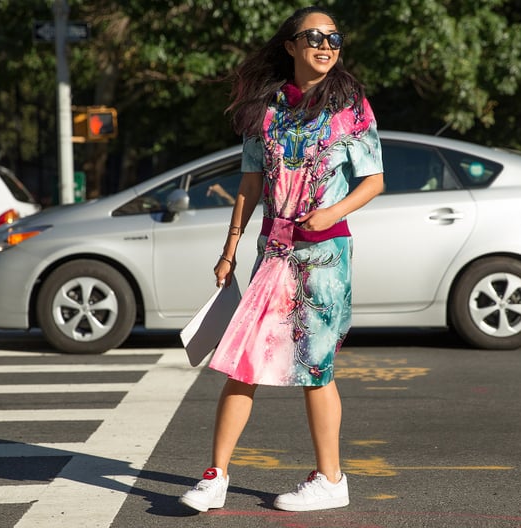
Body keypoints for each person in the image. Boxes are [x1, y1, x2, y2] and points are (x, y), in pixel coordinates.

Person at [179, 5, 384, 513]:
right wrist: (229, 247)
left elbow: (374, 180)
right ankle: (215, 478)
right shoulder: (264, 110)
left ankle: (331, 480)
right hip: (271, 252)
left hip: (323, 255)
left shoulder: (350, 105)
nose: (325, 46)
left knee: (316, 366)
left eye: (335, 39)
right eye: (314, 36)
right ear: (290, 45)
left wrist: (330, 211)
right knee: (241, 364)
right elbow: (251, 183)